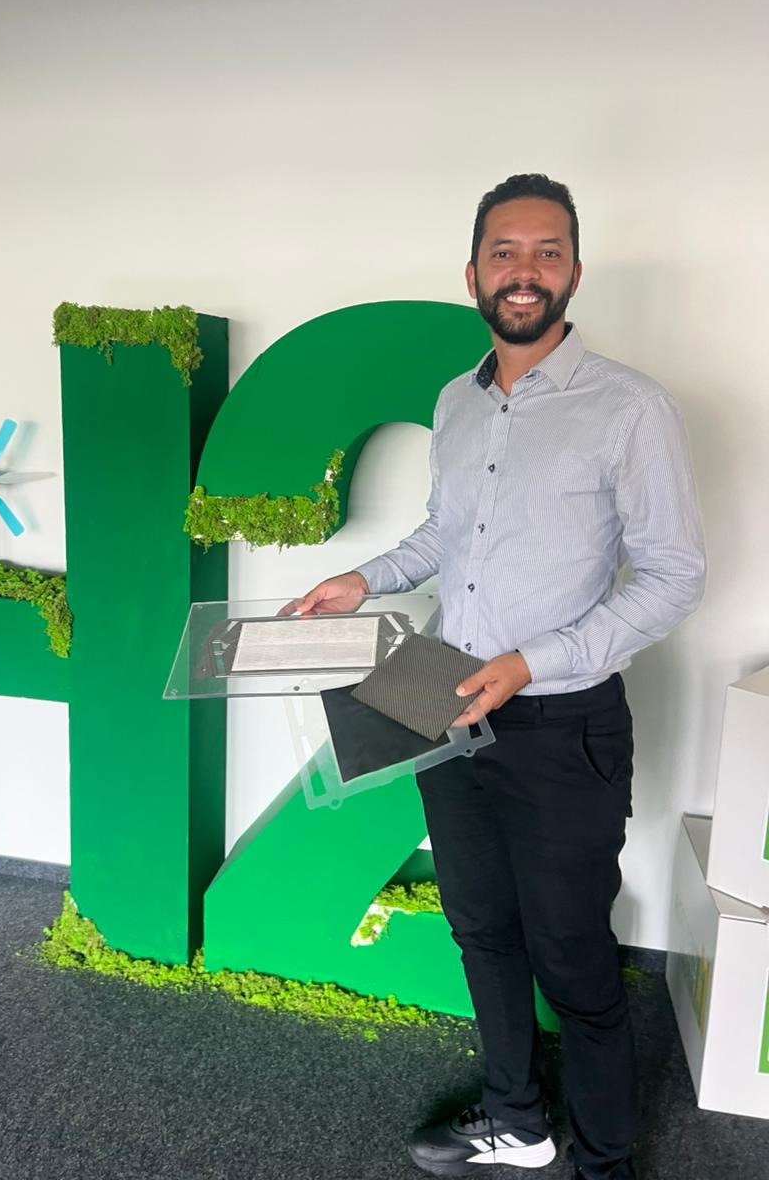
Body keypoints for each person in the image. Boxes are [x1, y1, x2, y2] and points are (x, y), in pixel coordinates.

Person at [287, 174, 706, 1180]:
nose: (525, 270)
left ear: (574, 273)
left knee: (573, 958)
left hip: (560, 721)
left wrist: (531, 662)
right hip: (441, 693)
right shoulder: (457, 401)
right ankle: (520, 1119)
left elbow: (675, 577)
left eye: (547, 251)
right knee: (479, 926)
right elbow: (446, 532)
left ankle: (605, 1162)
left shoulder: (630, 407)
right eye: (505, 252)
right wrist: (364, 578)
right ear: (472, 273)